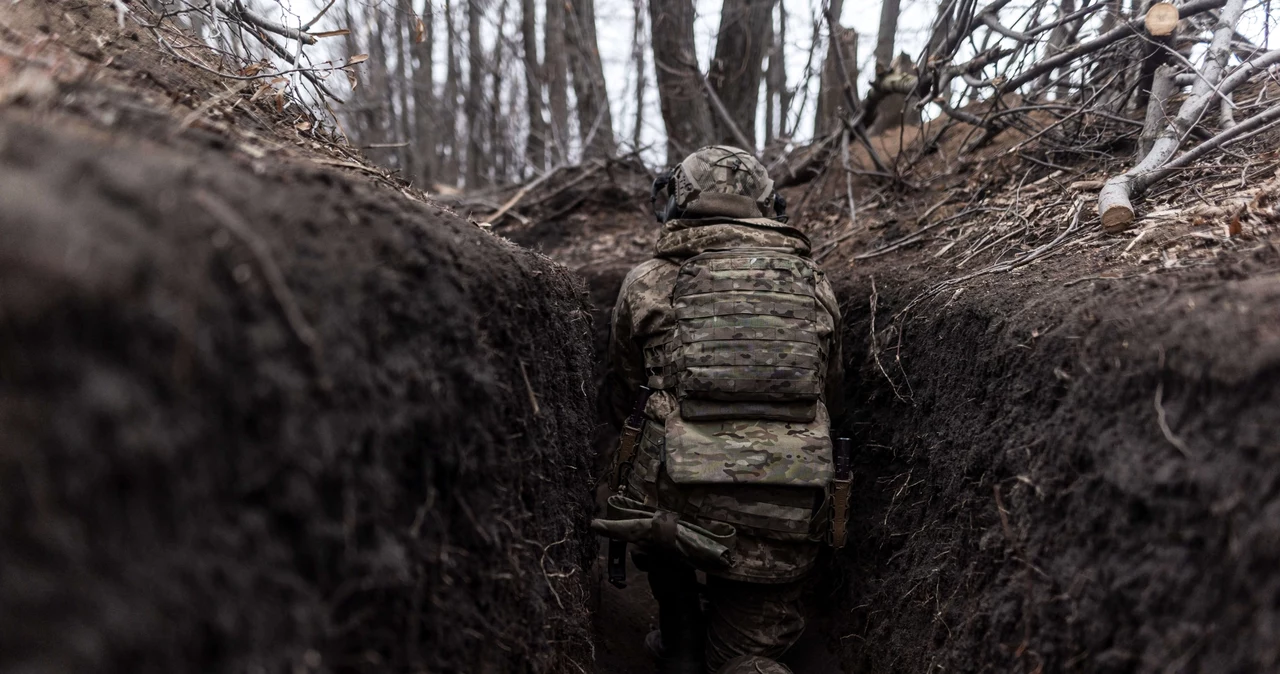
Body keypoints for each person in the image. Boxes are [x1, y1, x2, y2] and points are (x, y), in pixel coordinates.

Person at [593, 146, 845, 674]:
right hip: (787, 506)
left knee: (648, 461)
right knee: (747, 659)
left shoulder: (647, 281)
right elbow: (831, 390)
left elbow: (623, 389)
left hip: (673, 509)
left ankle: (681, 631)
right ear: (766, 206)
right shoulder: (815, 284)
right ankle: (741, 656)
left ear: (678, 202)